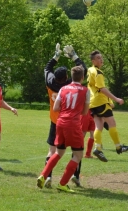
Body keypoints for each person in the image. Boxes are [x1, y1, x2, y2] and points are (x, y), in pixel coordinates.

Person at [37, 65, 90, 193]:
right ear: (82, 77)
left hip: (60, 122)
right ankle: (62, 184)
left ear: (71, 77)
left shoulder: (63, 89)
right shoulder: (85, 90)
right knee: (77, 155)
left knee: (58, 152)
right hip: (73, 123)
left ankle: (43, 175)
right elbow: (84, 112)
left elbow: (55, 108)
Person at [44, 44, 87, 188]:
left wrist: (56, 56)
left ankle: (48, 177)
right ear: (67, 77)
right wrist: (74, 56)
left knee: (52, 151)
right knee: (77, 150)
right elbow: (82, 71)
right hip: (72, 121)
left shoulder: (50, 82)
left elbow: (47, 69)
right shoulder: (70, 84)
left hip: (55, 120)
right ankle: (75, 176)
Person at [87, 50, 128, 162]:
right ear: (93, 61)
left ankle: (97, 148)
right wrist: (115, 99)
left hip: (92, 103)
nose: (101, 59)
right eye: (98, 58)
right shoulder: (98, 73)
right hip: (100, 102)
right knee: (112, 123)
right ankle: (118, 146)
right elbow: (102, 89)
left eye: (101, 57)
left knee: (99, 126)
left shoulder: (90, 70)